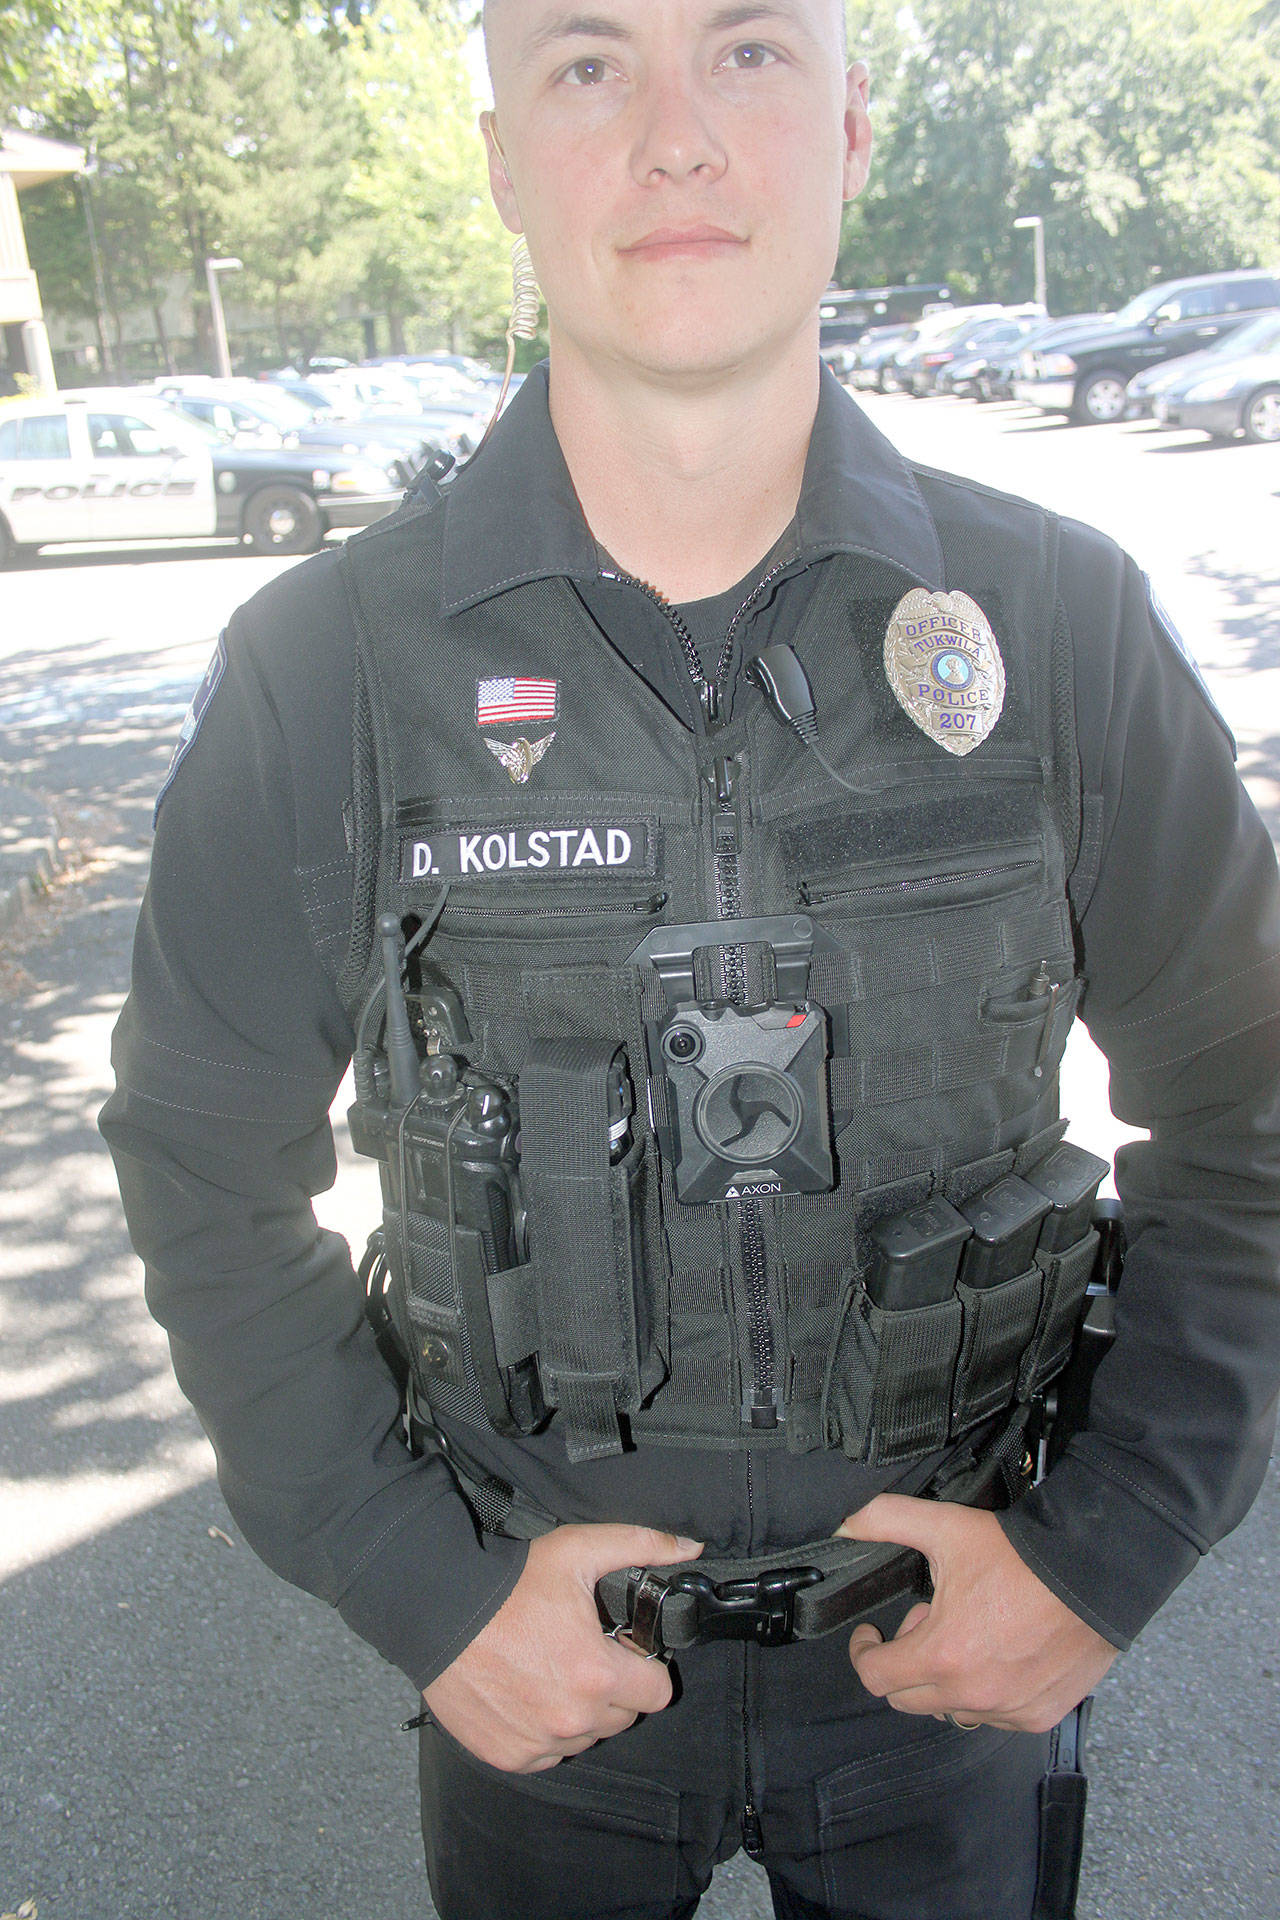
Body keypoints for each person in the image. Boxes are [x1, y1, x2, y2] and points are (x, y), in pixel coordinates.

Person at [101, 3, 1280, 1917]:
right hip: (534, 1686)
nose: (674, 136)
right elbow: (198, 1164)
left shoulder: (1058, 625)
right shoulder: (327, 667)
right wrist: (421, 1586)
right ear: (500, 153)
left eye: (748, 51)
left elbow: (1251, 1110)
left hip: (950, 1677)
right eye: (588, 62)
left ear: (851, 127)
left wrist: (1105, 1550)